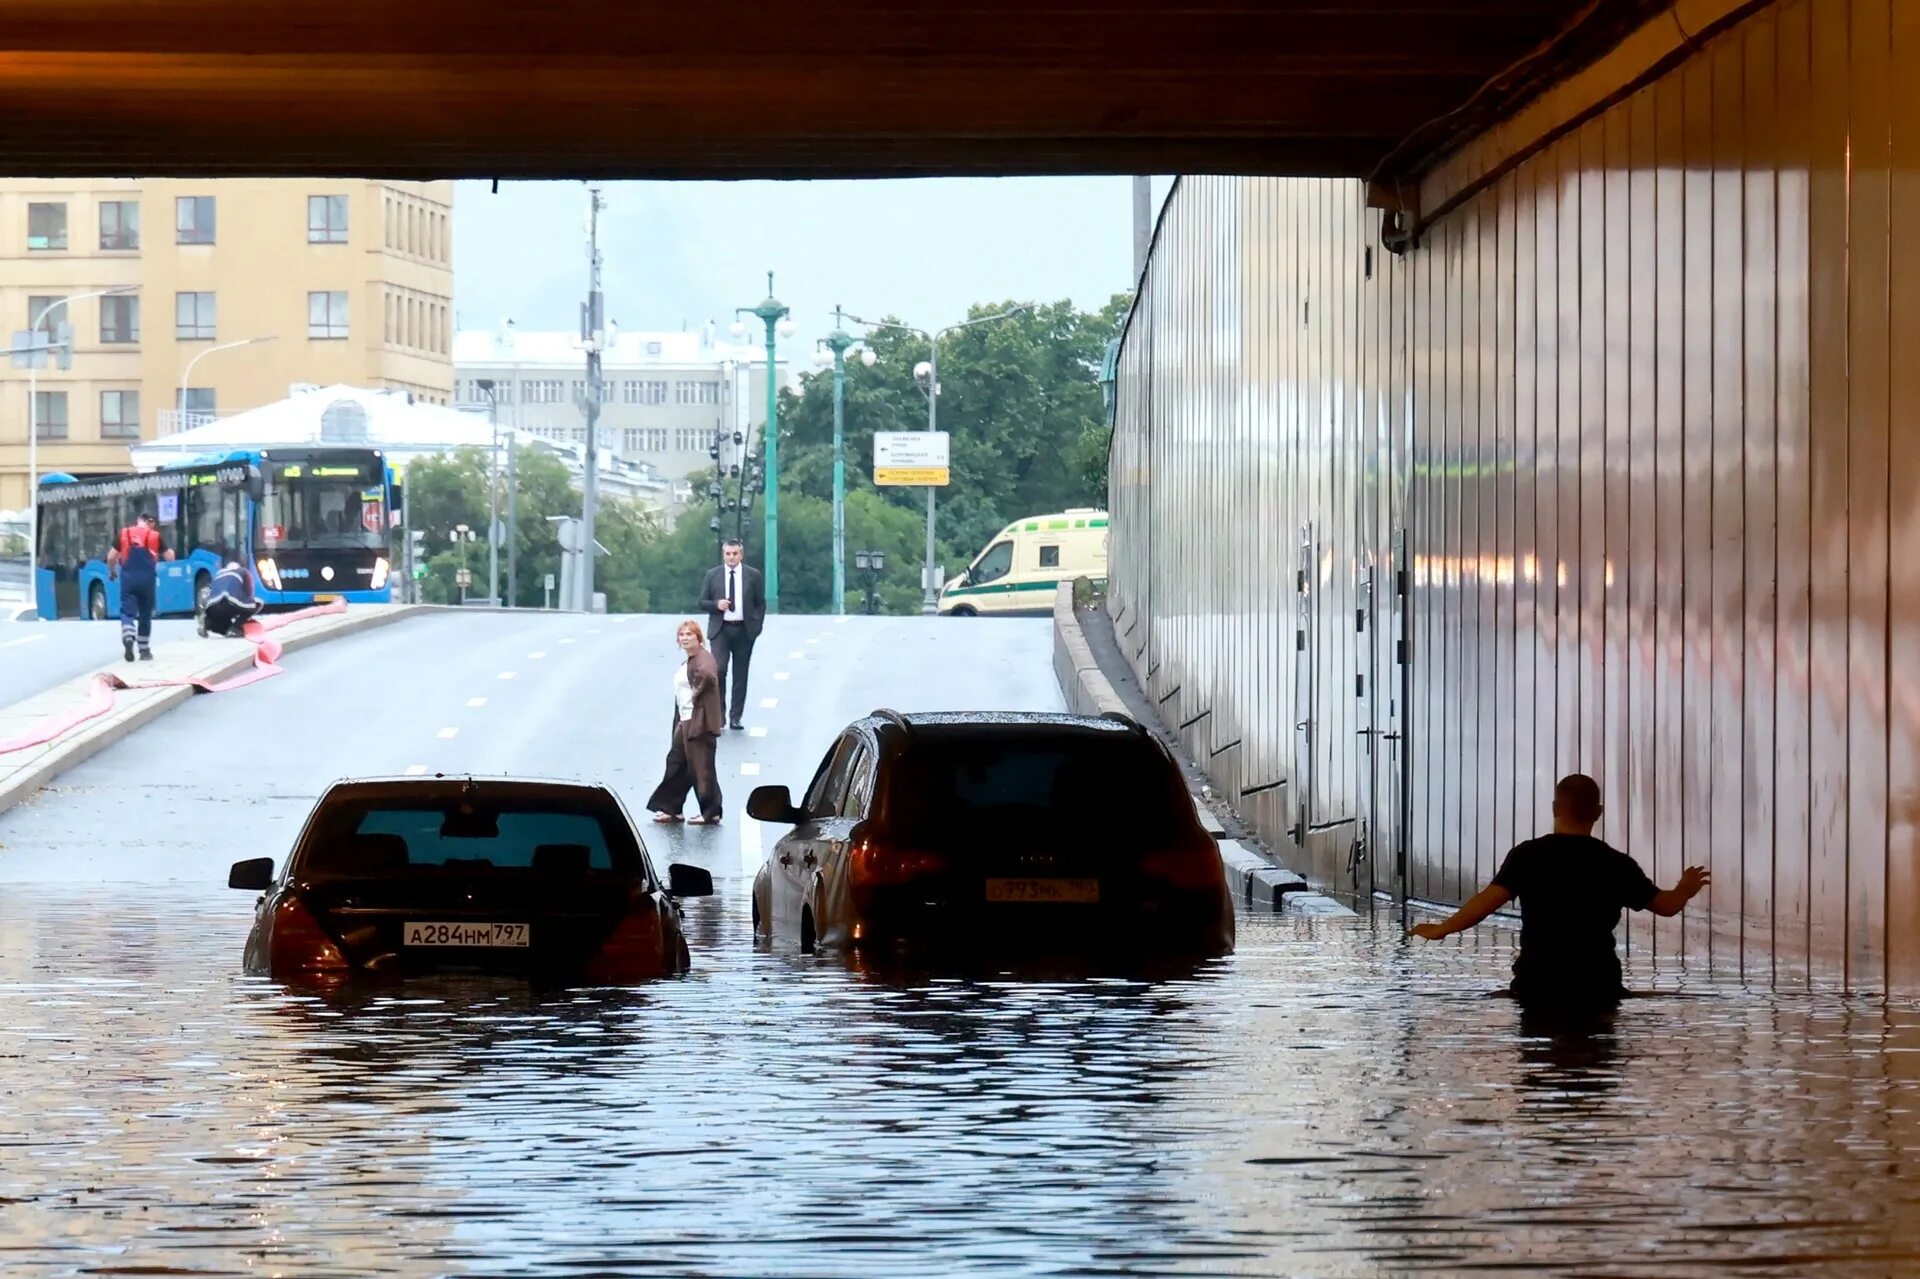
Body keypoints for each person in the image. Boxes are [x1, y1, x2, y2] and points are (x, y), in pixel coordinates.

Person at [1409, 773, 1711, 1007]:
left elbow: (1486, 903)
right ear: (1599, 812)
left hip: (1537, 983)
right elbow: (1667, 906)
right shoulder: (1616, 864)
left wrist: (1442, 929)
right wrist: (1684, 888)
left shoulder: (1527, 856)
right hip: (1598, 984)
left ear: (1555, 808)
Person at [646, 620, 725, 826]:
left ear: (699, 638)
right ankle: (672, 809)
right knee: (676, 764)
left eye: (689, 634)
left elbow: (708, 676)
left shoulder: (703, 659)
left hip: (698, 723)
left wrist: (695, 696)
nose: (684, 638)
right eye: (681, 635)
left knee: (702, 769)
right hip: (686, 720)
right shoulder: (690, 660)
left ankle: (711, 812)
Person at [698, 539, 766, 731]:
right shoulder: (713, 575)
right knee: (718, 670)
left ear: (741, 555)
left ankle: (736, 716)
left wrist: (756, 626)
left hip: (744, 630)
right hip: (721, 629)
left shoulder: (753, 575)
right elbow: (702, 601)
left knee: (740, 674)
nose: (731, 557)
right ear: (723, 554)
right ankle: (719, 716)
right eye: (728, 553)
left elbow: (760, 602)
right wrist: (716, 605)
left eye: (735, 553)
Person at [105, 510, 173, 662]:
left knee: (127, 612)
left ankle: (128, 635)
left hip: (128, 578)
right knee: (145, 613)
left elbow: (110, 557)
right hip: (147, 580)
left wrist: (112, 571)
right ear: (151, 523)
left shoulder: (124, 534)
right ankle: (144, 650)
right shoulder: (155, 536)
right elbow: (170, 557)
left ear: (138, 521)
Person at [198, 560, 262, 638]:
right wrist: (244, 617)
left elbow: (205, 592)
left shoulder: (218, 574)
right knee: (257, 603)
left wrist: (204, 611)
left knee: (220, 626)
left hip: (211, 608)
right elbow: (249, 594)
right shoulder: (243, 572)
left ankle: (207, 623)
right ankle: (235, 629)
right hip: (229, 602)